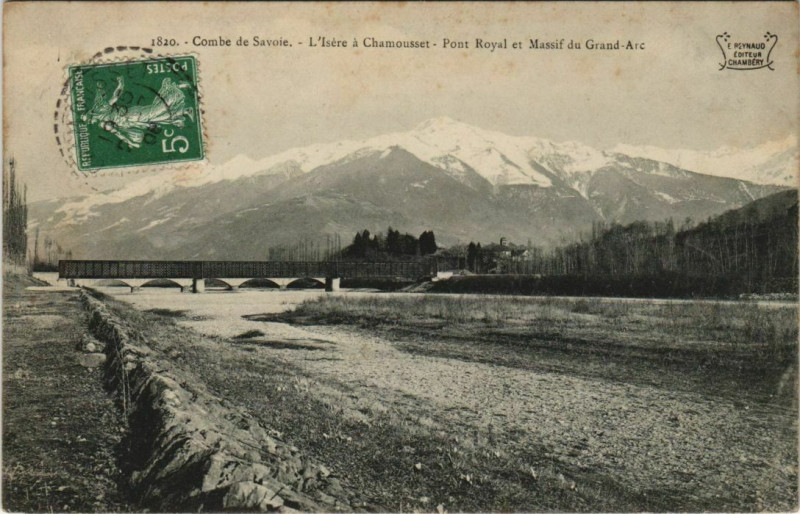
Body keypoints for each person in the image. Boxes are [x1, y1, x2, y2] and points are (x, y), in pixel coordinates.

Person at [81, 76, 194, 148]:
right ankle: (185, 111)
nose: (91, 122)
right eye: (89, 122)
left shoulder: (103, 110)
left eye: (90, 119)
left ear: (91, 114)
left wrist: (121, 84)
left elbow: (115, 97)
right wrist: (131, 142)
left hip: (132, 115)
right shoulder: (103, 123)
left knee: (158, 110)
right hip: (132, 122)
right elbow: (118, 133)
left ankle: (177, 87)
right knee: (160, 117)